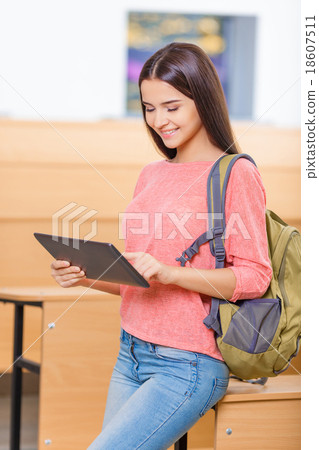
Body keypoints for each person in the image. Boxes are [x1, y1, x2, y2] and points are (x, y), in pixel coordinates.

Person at [51, 42, 272, 449]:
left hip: (188, 364)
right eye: (149, 108)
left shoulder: (235, 173)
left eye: (171, 106)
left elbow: (255, 277)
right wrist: (84, 276)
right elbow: (140, 280)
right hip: (130, 351)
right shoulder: (151, 174)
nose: (159, 120)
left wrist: (172, 272)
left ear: (202, 99)